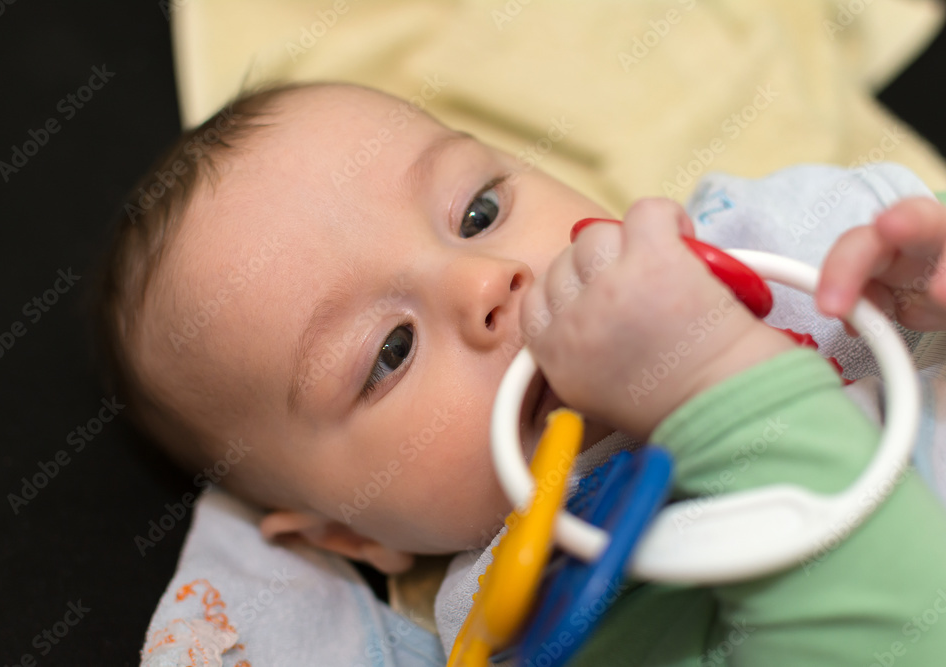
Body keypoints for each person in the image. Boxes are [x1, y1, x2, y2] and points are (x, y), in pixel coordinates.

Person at [101, 81, 946, 664]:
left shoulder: (775, 250)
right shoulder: (552, 615)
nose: (484, 282)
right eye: (391, 351)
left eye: (479, 212)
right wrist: (712, 379)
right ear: (357, 537)